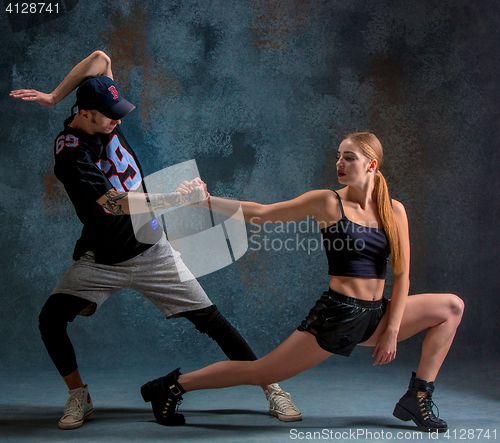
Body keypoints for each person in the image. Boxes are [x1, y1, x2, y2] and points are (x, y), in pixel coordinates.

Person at [9, 50, 301, 429]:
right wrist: (180, 198)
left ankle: (271, 386)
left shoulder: (103, 110)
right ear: (85, 114)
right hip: (104, 260)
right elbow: (114, 203)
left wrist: (51, 96)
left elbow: (99, 58)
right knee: (50, 319)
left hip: (152, 251)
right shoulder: (70, 154)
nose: (118, 119)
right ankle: (78, 394)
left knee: (213, 321)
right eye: (108, 114)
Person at [144, 132, 464, 433]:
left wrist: (392, 330)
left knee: (451, 307)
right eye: (338, 156)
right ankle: (172, 385)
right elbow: (262, 213)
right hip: (338, 316)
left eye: (348, 158)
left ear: (371, 164)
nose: (339, 163)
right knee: (263, 373)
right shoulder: (327, 202)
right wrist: (206, 201)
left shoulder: (394, 210)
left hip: (378, 315)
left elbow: (402, 274)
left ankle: (417, 398)